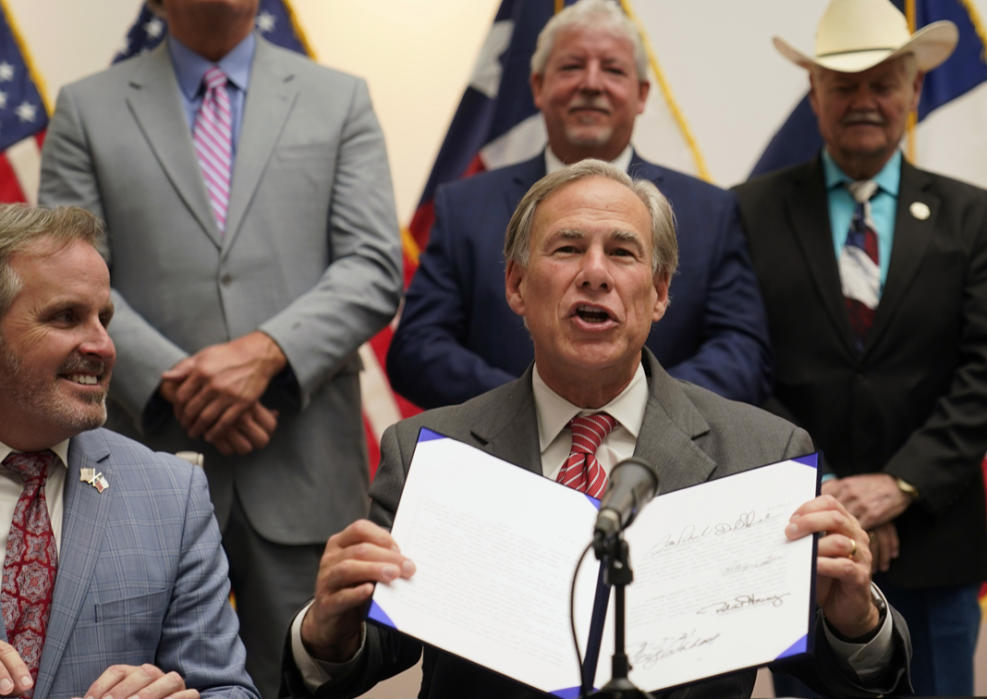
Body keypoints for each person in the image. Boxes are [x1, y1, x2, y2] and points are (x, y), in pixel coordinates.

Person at [281, 160, 913, 698]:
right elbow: (363, 656)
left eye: (622, 252)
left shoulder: (764, 454)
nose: (595, 272)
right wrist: (326, 634)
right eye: (566, 247)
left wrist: (857, 621)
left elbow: (850, 679)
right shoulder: (426, 454)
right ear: (516, 285)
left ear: (660, 293)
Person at [36, 1, 402, 695]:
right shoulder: (87, 108)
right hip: (142, 457)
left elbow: (373, 267)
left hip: (299, 465)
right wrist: (186, 381)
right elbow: (65, 269)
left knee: (315, 674)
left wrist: (265, 354)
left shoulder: (338, 97)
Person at [732, 0, 987, 694]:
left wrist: (898, 487)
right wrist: (826, 490)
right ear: (815, 93)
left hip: (935, 543)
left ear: (914, 92)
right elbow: (743, 367)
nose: (864, 100)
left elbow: (986, 372)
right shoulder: (747, 209)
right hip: (803, 541)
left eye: (883, 82)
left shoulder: (973, 214)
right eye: (844, 84)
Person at [387, 0, 770, 409]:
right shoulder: (465, 206)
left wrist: (642, 411)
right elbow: (416, 348)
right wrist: (531, 409)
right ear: (537, 86)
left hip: (667, 464)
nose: (591, 83)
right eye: (571, 67)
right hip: (496, 459)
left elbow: (743, 355)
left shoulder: (709, 212)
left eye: (613, 69)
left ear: (642, 95)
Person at [0, 204, 257, 698]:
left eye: (104, 318)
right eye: (66, 317)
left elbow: (229, 690)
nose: (103, 345)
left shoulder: (171, 496)